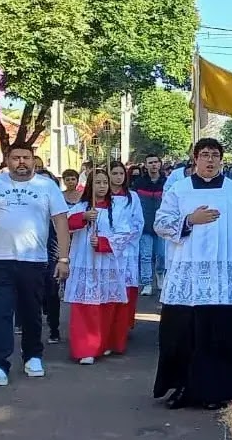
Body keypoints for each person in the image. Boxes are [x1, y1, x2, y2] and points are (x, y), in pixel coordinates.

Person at [153, 138, 232, 410]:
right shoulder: (179, 189)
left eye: (215, 155)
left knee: (218, 335)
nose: (210, 160)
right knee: (183, 335)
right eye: (204, 155)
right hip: (188, 276)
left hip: (222, 278)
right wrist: (189, 221)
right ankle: (183, 387)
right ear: (195, 159)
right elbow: (161, 223)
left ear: (221, 160)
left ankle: (216, 390)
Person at [0, 143, 72, 387]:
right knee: (1, 312)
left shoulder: (47, 187)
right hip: (0, 260)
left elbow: (61, 223)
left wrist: (63, 259)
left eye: (26, 157)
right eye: (16, 158)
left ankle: (33, 355)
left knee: (31, 311)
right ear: (8, 161)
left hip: (34, 261)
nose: (21, 162)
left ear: (34, 160)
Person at [65, 168, 135, 364]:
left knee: (107, 304)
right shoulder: (81, 206)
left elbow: (125, 233)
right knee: (85, 305)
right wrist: (84, 218)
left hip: (108, 262)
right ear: (90, 185)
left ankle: (104, 343)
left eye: (105, 182)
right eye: (98, 182)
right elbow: (65, 224)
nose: (102, 186)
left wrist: (104, 242)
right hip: (85, 261)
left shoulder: (118, 208)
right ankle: (85, 348)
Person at [109, 160, 144, 344]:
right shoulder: (101, 197)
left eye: (121, 174)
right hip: (105, 249)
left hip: (127, 249)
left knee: (127, 287)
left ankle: (125, 324)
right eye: (114, 173)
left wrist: (123, 239)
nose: (118, 177)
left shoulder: (133, 197)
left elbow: (138, 223)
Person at [134, 155, 168, 295]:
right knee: (145, 256)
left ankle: (160, 274)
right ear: (146, 165)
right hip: (145, 224)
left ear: (160, 164)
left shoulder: (166, 182)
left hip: (162, 225)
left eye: (156, 162)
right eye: (150, 163)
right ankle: (147, 283)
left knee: (161, 255)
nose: (153, 165)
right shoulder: (139, 183)